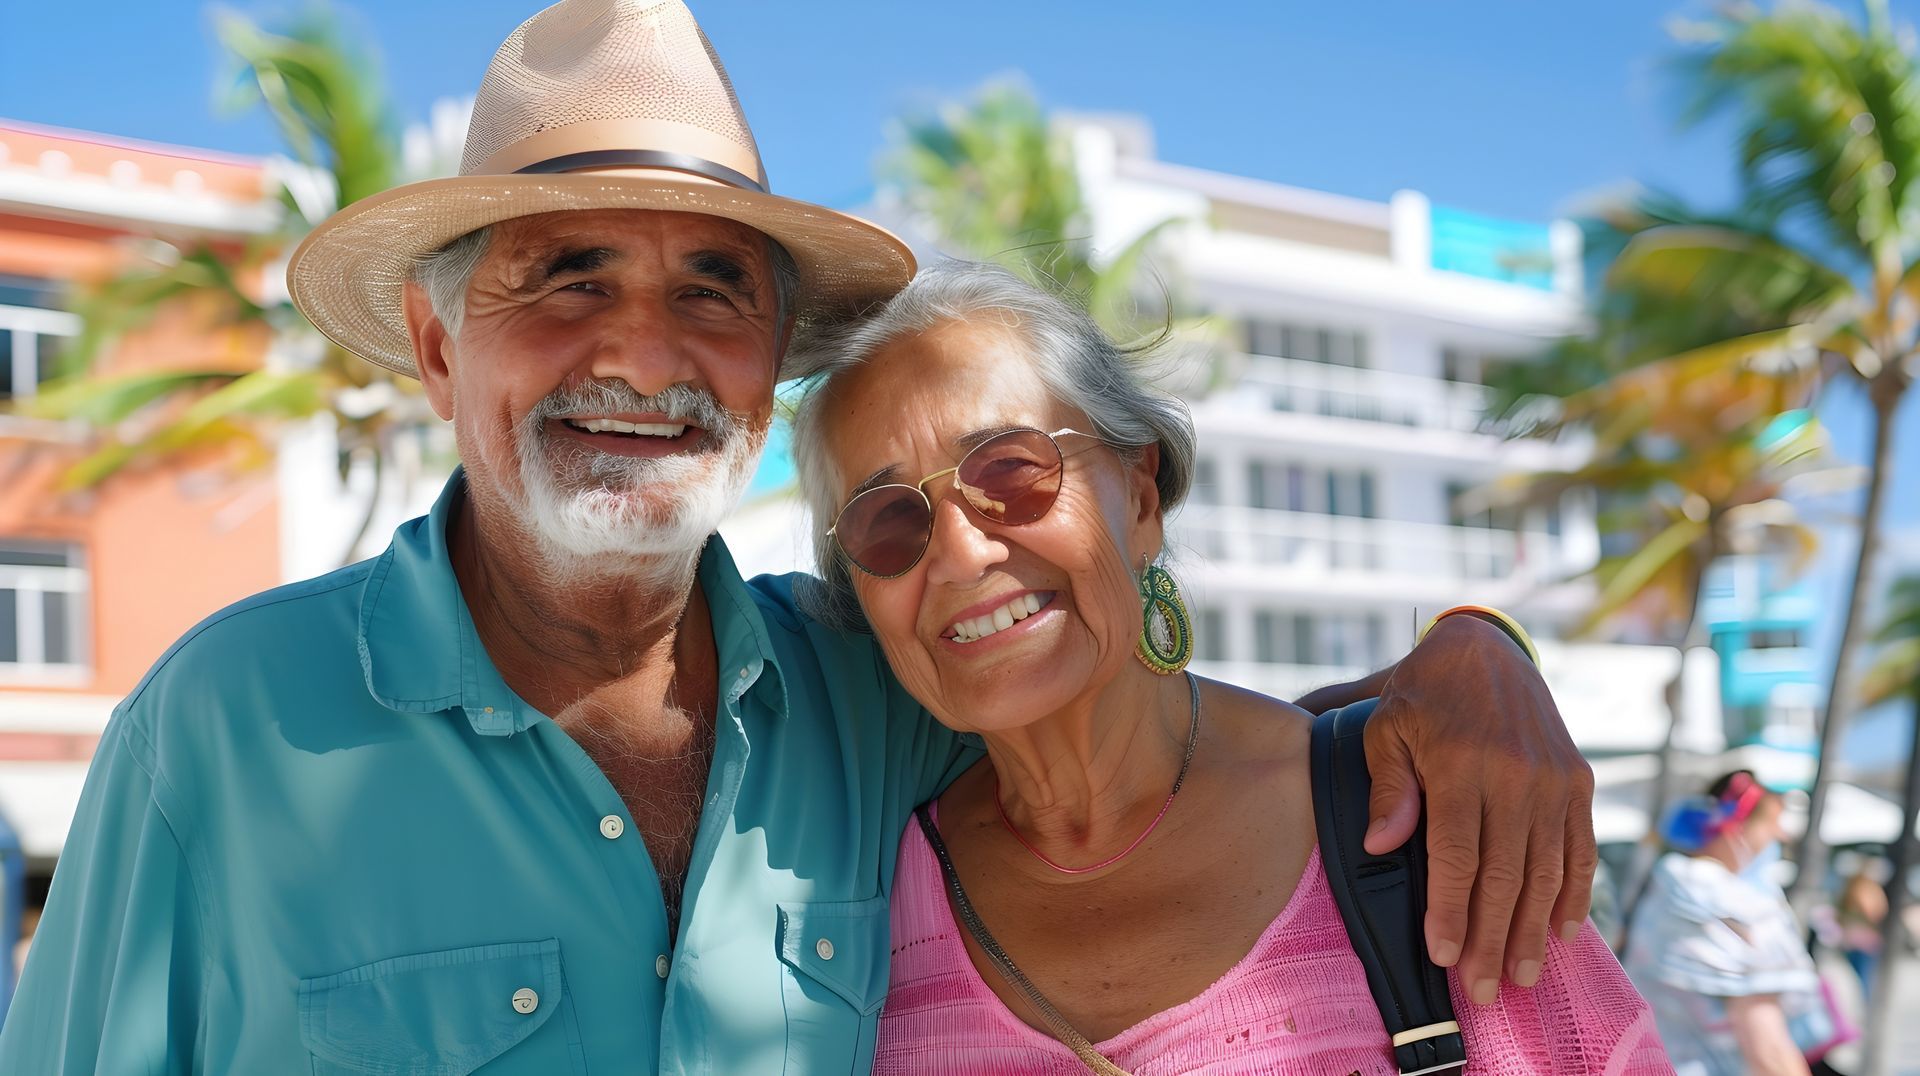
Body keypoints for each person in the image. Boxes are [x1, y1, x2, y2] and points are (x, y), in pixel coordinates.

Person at [0, 2, 1603, 1071]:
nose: (643, 355)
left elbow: (1149, 720)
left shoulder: (867, 683)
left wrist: (1474, 659)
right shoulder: (221, 729)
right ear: (437, 350)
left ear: (767, 377)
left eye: (714, 291)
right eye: (565, 276)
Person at [787, 261, 1670, 1073]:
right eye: (888, 522)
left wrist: (1481, 639)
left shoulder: (1417, 824)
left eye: (1011, 470)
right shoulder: (862, 902)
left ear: (1138, 497)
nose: (959, 552)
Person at [1625, 772, 1838, 1076]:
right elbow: (1769, 1051)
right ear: (1734, 827)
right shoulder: (1730, 903)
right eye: (1771, 823)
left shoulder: (1665, 887)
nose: (1781, 836)